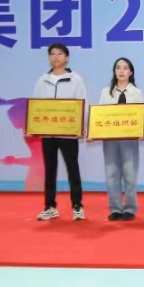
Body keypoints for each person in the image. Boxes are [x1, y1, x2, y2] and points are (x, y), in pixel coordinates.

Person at [32, 43, 87, 221]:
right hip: (48, 133)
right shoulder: (42, 80)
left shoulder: (75, 79)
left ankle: (77, 206)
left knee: (72, 168)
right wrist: (34, 126)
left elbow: (83, 104)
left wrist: (81, 127)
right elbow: (36, 106)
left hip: (68, 133)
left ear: (67, 58)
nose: (56, 57)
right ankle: (50, 206)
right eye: (52, 54)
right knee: (50, 170)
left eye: (60, 54)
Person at [94, 57, 144, 221]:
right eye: (118, 68)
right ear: (114, 71)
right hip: (110, 139)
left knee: (130, 174)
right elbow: (99, 116)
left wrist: (140, 130)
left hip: (129, 140)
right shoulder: (105, 92)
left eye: (125, 68)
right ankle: (115, 208)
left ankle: (130, 208)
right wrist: (94, 132)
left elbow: (140, 116)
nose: (121, 71)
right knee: (111, 174)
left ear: (131, 72)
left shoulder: (136, 93)